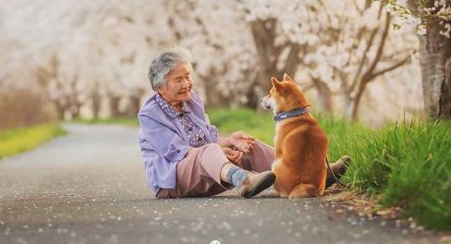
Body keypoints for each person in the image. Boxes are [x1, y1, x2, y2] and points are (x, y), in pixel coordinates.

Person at [137, 48, 349, 199]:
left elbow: (209, 139)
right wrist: (219, 151)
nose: (187, 84)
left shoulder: (191, 100)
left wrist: (230, 142)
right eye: (178, 80)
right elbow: (178, 152)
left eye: (188, 76)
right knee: (210, 150)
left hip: (210, 174)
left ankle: (314, 173)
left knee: (248, 145)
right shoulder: (149, 115)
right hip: (172, 184)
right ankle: (244, 181)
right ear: (160, 89)